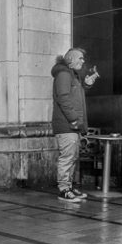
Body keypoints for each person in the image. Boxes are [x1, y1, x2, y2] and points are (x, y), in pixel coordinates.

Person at [52, 47, 98, 202]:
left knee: (72, 156)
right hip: (67, 125)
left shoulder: (72, 75)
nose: (83, 61)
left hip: (72, 125)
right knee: (67, 157)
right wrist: (73, 119)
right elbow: (63, 98)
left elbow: (73, 96)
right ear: (70, 60)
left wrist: (86, 84)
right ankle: (64, 190)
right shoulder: (64, 74)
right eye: (80, 58)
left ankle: (68, 187)